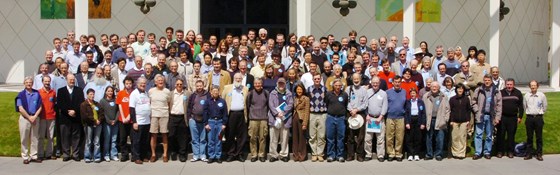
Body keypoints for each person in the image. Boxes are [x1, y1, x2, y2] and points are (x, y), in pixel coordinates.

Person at [472, 75, 502, 160]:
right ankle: (478, 152)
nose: (487, 81)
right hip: (481, 115)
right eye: (485, 80)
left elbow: (499, 106)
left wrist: (497, 118)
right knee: (478, 134)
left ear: (491, 81)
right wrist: (477, 110)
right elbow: (473, 101)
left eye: (489, 80)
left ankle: (487, 152)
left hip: (491, 116)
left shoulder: (496, 91)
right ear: (483, 80)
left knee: (489, 135)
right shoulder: (479, 90)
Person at [222, 73, 249, 162]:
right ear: (234, 79)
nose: (238, 80)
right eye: (236, 78)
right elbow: (223, 100)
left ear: (242, 79)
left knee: (241, 136)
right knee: (230, 135)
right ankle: (230, 153)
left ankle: (239, 153)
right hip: (231, 114)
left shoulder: (245, 89)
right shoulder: (227, 88)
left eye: (239, 78)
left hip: (241, 114)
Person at [57, 74, 85, 162]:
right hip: (65, 118)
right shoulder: (61, 91)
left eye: (73, 80)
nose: (72, 81)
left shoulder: (79, 90)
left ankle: (75, 154)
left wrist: (74, 111)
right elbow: (60, 104)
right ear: (67, 80)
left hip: (76, 117)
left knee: (76, 137)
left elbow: (81, 103)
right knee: (65, 137)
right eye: (70, 80)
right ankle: (66, 154)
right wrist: (68, 111)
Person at [16, 77, 43, 164]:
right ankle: (25, 156)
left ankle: (34, 155)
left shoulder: (37, 93)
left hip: (35, 117)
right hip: (25, 118)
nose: (29, 84)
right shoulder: (21, 94)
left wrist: (35, 116)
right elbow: (20, 108)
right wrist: (29, 117)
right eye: (27, 82)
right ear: (24, 83)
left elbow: (40, 106)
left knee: (34, 138)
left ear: (32, 83)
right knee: (24, 138)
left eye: (30, 82)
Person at [496, 78, 524, 158]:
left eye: (510, 84)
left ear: (513, 85)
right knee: (500, 135)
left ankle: (510, 151)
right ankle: (500, 151)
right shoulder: (501, 93)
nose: (509, 86)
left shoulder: (518, 93)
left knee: (511, 136)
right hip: (502, 117)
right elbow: (497, 105)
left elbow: (521, 106)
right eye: (507, 84)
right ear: (505, 85)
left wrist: (520, 116)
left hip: (513, 117)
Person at [268, 77, 294, 162]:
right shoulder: (273, 93)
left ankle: (284, 154)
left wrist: (284, 112)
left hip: (285, 118)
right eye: (280, 83)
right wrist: (276, 113)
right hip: (275, 118)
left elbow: (290, 104)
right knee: (273, 138)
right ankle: (273, 155)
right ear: (277, 84)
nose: (281, 85)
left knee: (284, 137)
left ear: (285, 84)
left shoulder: (289, 93)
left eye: (283, 83)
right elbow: (270, 104)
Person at [423, 81, 450, 161]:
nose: (434, 88)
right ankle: (429, 154)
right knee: (429, 138)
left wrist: (446, 119)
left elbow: (448, 109)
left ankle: (438, 154)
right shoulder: (426, 96)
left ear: (439, 88)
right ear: (430, 87)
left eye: (436, 87)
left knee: (440, 138)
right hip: (429, 120)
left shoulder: (444, 96)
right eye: (432, 87)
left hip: (440, 120)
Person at [345, 73, 368, 162]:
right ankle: (350, 154)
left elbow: (365, 103)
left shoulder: (363, 90)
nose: (356, 80)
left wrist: (357, 110)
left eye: (357, 78)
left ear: (360, 79)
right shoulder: (348, 89)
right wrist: (351, 110)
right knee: (350, 135)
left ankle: (360, 155)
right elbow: (346, 101)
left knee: (360, 136)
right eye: (354, 78)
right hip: (350, 113)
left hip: (360, 114)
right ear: (352, 79)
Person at [148, 74, 171, 162]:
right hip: (154, 115)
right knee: (153, 135)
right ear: (155, 82)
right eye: (159, 81)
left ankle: (165, 154)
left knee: (164, 134)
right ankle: (153, 154)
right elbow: (149, 102)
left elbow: (169, 103)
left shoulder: (167, 91)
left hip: (164, 115)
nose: (160, 82)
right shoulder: (151, 91)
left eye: (162, 80)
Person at [324, 80, 349, 162]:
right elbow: (326, 104)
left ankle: (340, 155)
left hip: (341, 118)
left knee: (340, 138)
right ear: (333, 86)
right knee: (330, 137)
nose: (338, 87)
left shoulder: (344, 95)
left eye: (339, 85)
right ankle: (331, 155)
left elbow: (346, 105)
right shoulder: (328, 94)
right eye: (336, 85)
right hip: (331, 117)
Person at [364, 77, 388, 162]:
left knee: (380, 139)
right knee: (368, 139)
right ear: (371, 83)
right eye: (373, 83)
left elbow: (385, 106)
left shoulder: (383, 93)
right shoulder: (367, 92)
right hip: (370, 118)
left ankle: (380, 155)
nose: (375, 84)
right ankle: (368, 154)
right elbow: (365, 105)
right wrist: (366, 115)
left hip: (379, 119)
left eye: (376, 83)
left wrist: (381, 117)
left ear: (379, 83)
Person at [246, 78, 270, 162]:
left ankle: (261, 154)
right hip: (253, 119)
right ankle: (254, 154)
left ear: (261, 84)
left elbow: (268, 105)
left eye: (259, 83)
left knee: (262, 137)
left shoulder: (266, 93)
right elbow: (248, 105)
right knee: (252, 138)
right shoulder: (251, 94)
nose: (257, 85)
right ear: (253, 84)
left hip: (263, 119)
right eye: (256, 83)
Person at [187, 80, 211, 162]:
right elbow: (189, 107)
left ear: (203, 86)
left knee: (203, 139)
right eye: (197, 86)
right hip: (193, 119)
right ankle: (196, 155)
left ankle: (203, 155)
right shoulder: (193, 95)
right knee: (194, 139)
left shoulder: (207, 95)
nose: (199, 87)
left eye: (200, 86)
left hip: (204, 120)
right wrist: (189, 117)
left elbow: (210, 107)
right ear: (195, 86)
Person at [129, 77, 151, 164]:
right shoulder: (134, 94)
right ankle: (136, 157)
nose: (143, 85)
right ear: (137, 84)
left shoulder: (146, 93)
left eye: (144, 83)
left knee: (145, 140)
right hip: (139, 121)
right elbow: (131, 109)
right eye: (141, 83)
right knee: (137, 140)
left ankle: (143, 156)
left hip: (147, 121)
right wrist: (134, 122)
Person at [523, 80, 547, 161]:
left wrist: (540, 113)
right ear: (530, 86)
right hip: (529, 118)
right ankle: (529, 153)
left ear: (537, 86)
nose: (533, 87)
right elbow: (524, 106)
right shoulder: (526, 95)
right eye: (531, 85)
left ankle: (539, 153)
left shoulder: (541, 95)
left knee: (539, 137)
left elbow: (545, 106)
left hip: (538, 118)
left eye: (534, 85)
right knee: (529, 137)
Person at [204, 86, 228, 164]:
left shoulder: (222, 101)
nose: (215, 92)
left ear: (219, 92)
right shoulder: (207, 101)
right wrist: (206, 124)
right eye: (213, 91)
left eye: (216, 91)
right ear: (211, 92)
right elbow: (205, 113)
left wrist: (224, 124)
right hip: (210, 122)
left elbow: (225, 113)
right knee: (211, 140)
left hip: (220, 123)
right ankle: (211, 156)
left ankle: (218, 156)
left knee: (219, 140)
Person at [385, 75, 406, 162]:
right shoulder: (388, 92)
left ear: (401, 82)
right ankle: (390, 153)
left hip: (400, 117)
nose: (397, 84)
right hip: (390, 117)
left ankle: (398, 153)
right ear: (392, 83)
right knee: (389, 137)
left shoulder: (404, 91)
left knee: (399, 137)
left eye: (399, 82)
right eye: (395, 82)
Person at [307, 74, 328, 162]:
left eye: (318, 79)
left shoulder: (325, 89)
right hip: (312, 113)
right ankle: (314, 153)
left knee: (321, 135)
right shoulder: (309, 89)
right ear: (313, 79)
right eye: (315, 79)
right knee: (312, 135)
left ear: (321, 79)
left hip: (322, 114)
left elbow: (327, 100)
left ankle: (320, 153)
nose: (317, 80)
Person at [80, 88, 104, 163]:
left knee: (97, 141)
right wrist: (94, 120)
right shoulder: (84, 104)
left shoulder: (97, 104)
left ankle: (96, 156)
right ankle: (87, 156)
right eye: (90, 94)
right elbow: (85, 116)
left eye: (93, 94)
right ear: (87, 95)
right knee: (88, 141)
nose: (92, 96)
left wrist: (99, 120)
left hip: (98, 124)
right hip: (89, 125)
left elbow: (101, 113)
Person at [449, 83, 472, 159]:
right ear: (456, 90)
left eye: (462, 89)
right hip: (454, 121)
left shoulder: (466, 99)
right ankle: (455, 153)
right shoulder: (452, 99)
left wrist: (468, 120)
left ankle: (461, 153)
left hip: (464, 121)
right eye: (459, 89)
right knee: (455, 137)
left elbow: (469, 110)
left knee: (462, 137)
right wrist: (451, 120)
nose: (460, 90)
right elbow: (450, 111)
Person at [38, 76, 56, 160]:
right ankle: (40, 154)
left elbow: (55, 103)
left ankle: (49, 153)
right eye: (45, 81)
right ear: (42, 82)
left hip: (51, 117)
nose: (47, 83)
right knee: (41, 136)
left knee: (50, 137)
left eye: (48, 81)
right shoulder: (39, 92)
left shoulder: (53, 92)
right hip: (42, 117)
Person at [99, 86, 119, 162]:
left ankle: (113, 154)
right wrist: (109, 121)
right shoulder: (102, 101)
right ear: (105, 92)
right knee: (107, 139)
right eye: (108, 91)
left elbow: (118, 111)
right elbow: (102, 113)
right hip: (107, 123)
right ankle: (106, 155)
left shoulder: (115, 100)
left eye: (111, 91)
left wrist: (115, 120)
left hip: (115, 123)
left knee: (114, 139)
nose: (110, 92)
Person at [404, 88, 425, 161]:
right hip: (410, 120)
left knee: (417, 138)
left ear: (416, 94)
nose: (413, 94)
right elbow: (406, 113)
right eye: (411, 93)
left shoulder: (420, 102)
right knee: (409, 138)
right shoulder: (407, 102)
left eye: (414, 93)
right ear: (409, 94)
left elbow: (423, 113)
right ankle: (410, 154)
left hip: (418, 120)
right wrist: (407, 122)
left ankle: (416, 154)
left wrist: (423, 123)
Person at [116, 76, 134, 162]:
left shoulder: (134, 93)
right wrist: (123, 117)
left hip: (131, 120)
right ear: (124, 84)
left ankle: (134, 155)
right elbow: (119, 105)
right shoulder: (120, 93)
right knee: (122, 138)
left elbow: (134, 107)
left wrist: (129, 117)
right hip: (122, 120)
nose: (128, 85)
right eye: (127, 83)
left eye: (130, 83)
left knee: (133, 138)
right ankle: (124, 154)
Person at [292, 83, 309, 162]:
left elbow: (307, 111)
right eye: (298, 89)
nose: (299, 91)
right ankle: (295, 155)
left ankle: (302, 155)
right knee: (295, 138)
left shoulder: (306, 98)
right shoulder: (294, 98)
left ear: (303, 90)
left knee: (302, 138)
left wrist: (305, 123)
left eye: (300, 89)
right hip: (294, 118)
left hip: (301, 119)